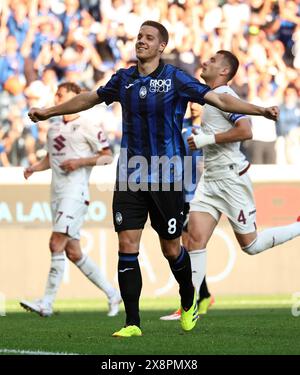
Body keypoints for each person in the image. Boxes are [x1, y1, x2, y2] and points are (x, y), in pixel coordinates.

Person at [28, 21, 279, 337]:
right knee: (126, 244)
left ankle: (188, 300)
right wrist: (49, 112)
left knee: (172, 249)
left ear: (162, 46)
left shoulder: (175, 78)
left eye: (149, 38)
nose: (141, 41)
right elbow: (88, 98)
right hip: (130, 174)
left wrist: (259, 109)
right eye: (139, 37)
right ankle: (132, 322)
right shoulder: (124, 78)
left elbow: (221, 101)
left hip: (167, 175)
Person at [186, 50, 300, 301]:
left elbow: (245, 130)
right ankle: (189, 304)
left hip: (231, 178)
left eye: (213, 61)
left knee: (251, 245)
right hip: (211, 180)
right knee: (194, 239)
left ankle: (299, 226)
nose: (205, 61)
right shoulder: (211, 97)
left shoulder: (226, 95)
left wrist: (208, 138)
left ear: (224, 71)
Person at [20, 82, 121, 317]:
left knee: (56, 242)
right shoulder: (54, 126)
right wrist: (34, 168)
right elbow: (50, 158)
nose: (58, 97)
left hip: (75, 193)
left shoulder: (88, 125)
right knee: (73, 252)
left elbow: (107, 157)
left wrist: (79, 162)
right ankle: (112, 293)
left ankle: (47, 302)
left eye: (62, 94)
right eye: (56, 94)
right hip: (56, 193)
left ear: (77, 97)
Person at [160, 102, 214, 321]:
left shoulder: (211, 129)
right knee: (185, 249)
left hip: (199, 196)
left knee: (190, 247)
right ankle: (204, 295)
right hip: (181, 194)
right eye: (190, 102)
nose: (193, 106)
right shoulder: (181, 128)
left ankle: (189, 302)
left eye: (198, 102)